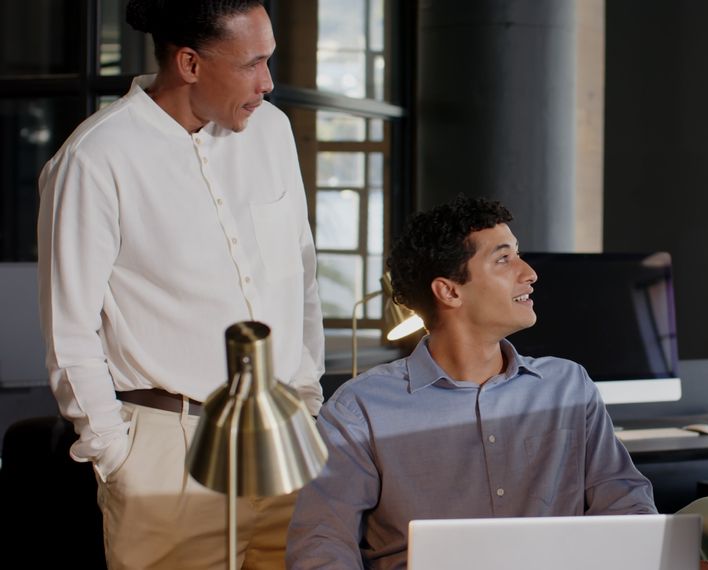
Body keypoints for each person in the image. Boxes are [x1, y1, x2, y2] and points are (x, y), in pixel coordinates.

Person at [36, 1, 324, 568]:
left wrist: (308, 403)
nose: (268, 83)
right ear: (189, 62)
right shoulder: (95, 159)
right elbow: (71, 331)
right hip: (171, 455)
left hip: (286, 440)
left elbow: (302, 278)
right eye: (252, 63)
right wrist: (119, 460)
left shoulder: (274, 132)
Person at [286, 196, 657, 569]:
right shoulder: (360, 409)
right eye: (503, 259)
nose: (529, 272)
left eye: (518, 254)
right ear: (449, 291)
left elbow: (625, 504)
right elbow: (321, 543)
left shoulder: (568, 387)